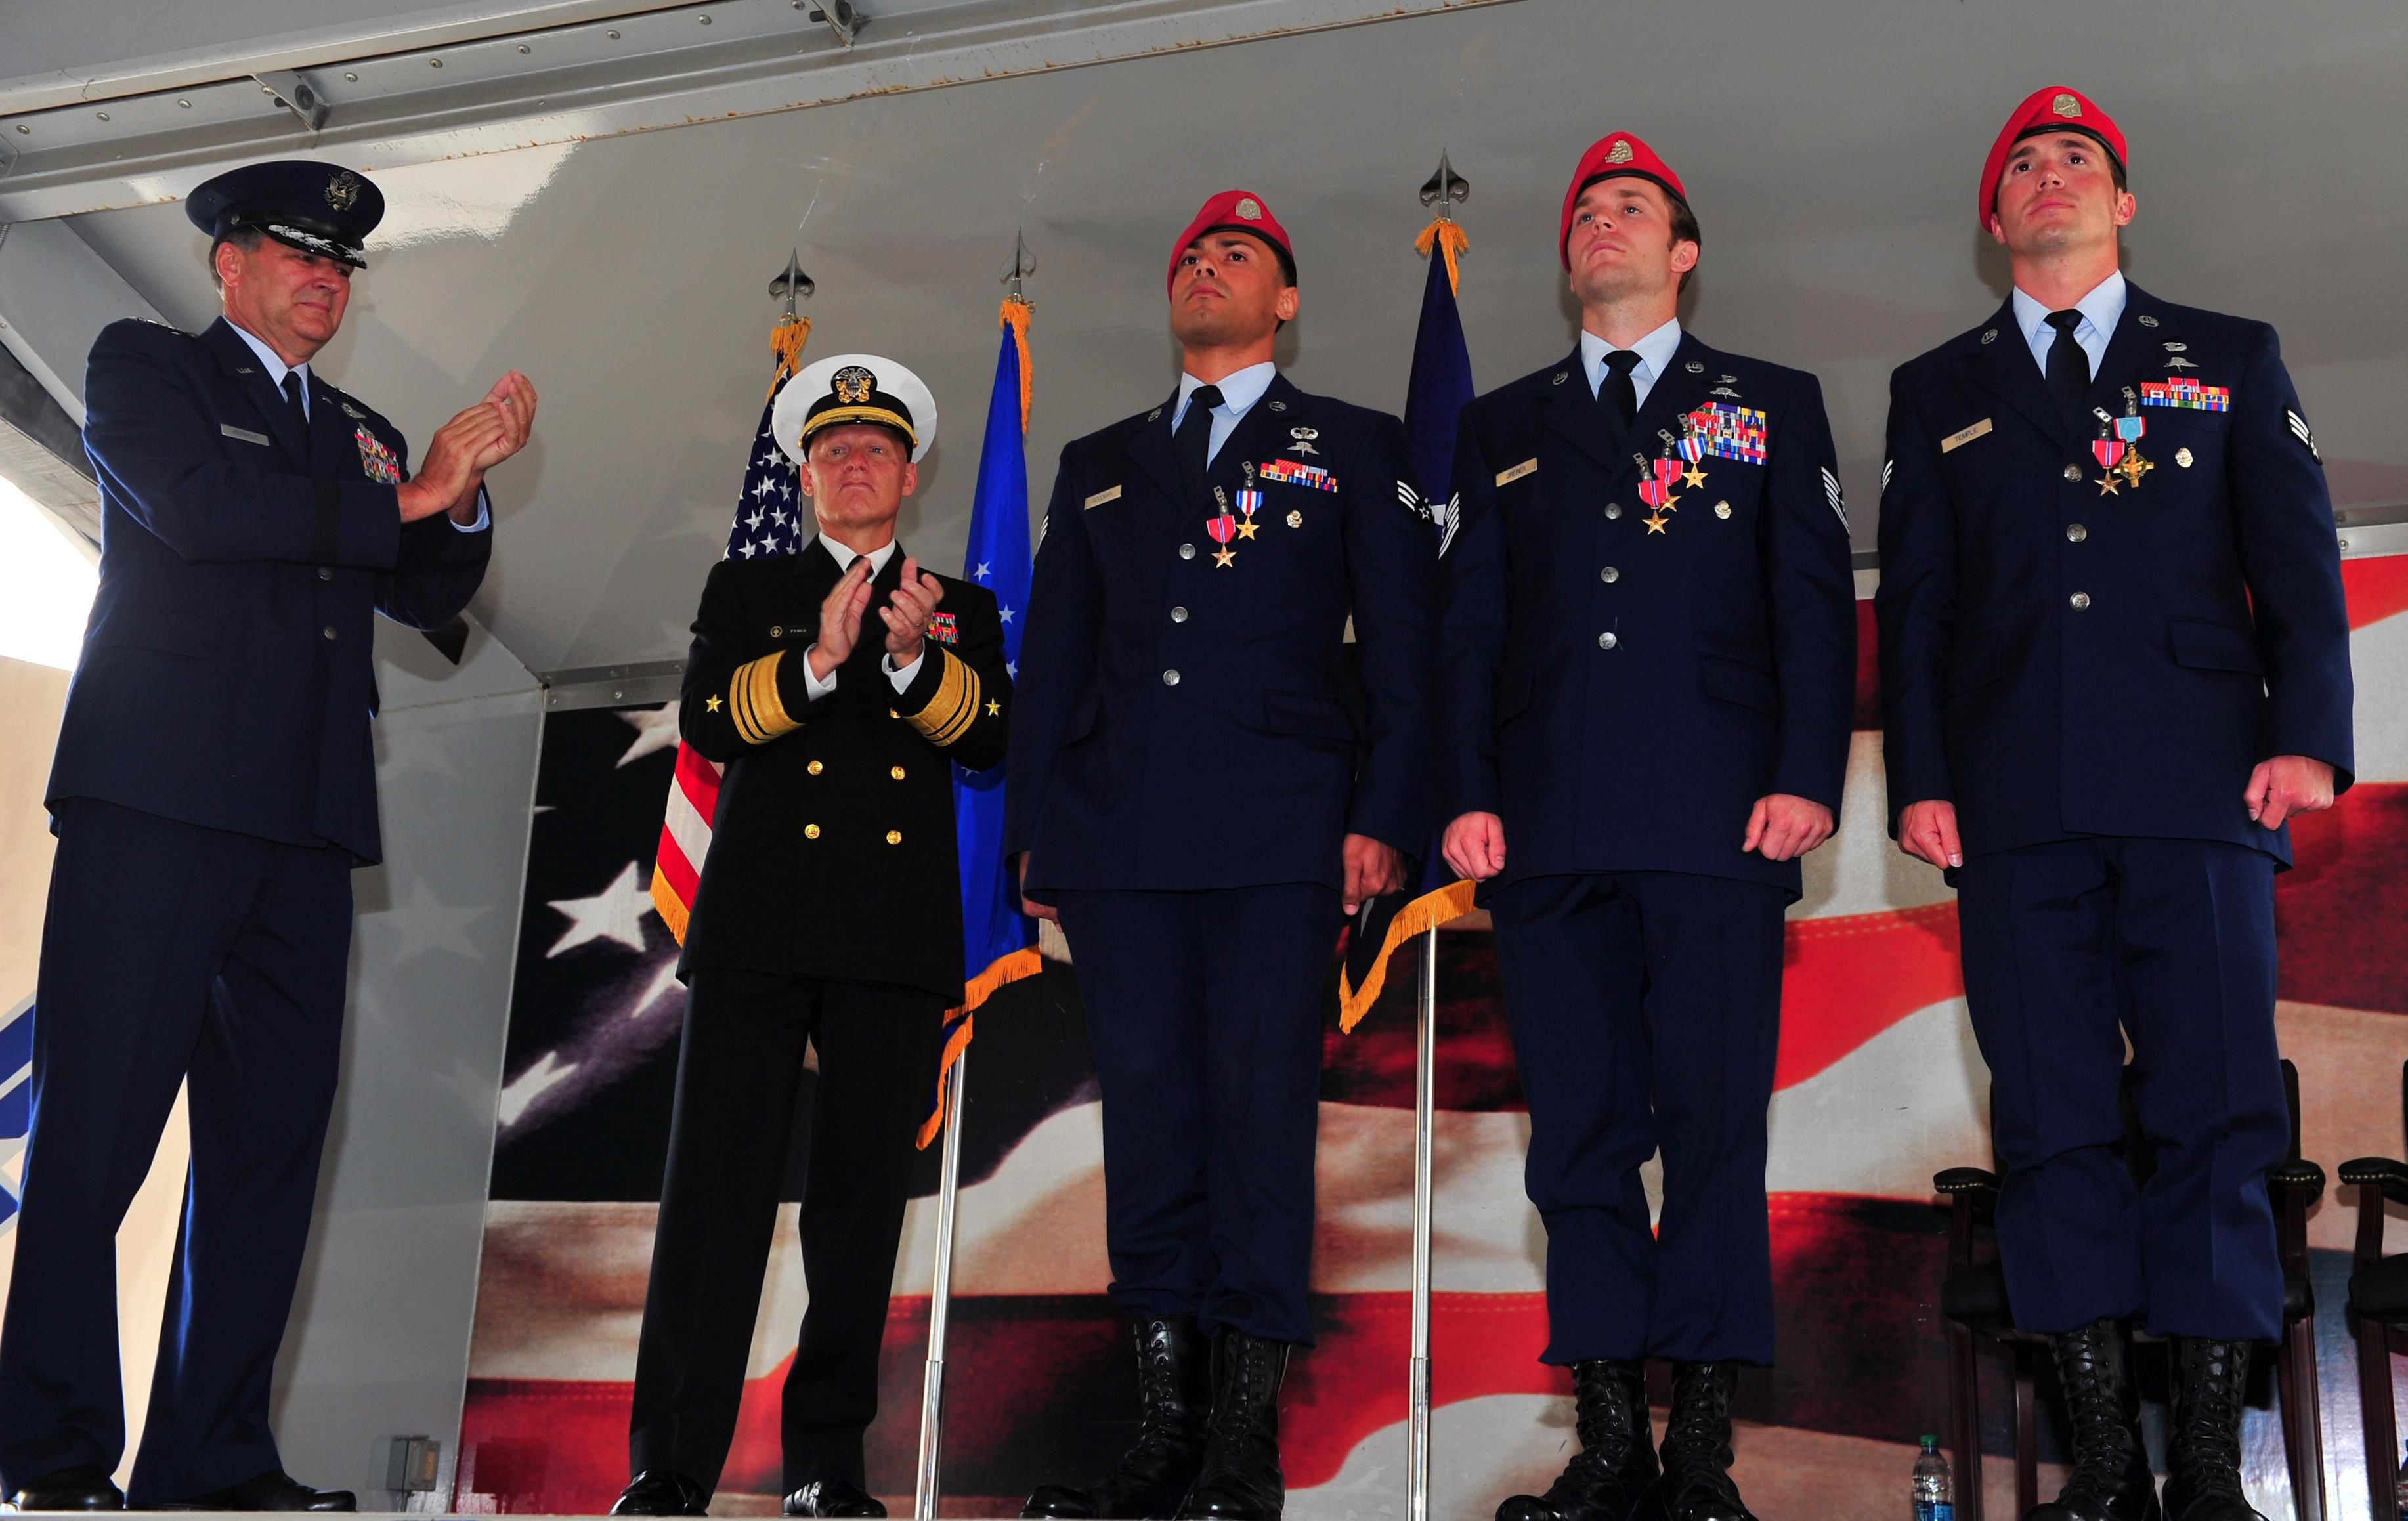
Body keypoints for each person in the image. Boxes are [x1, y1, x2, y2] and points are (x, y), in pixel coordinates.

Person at [0, 160, 532, 1513]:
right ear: (226, 264)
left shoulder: (357, 428)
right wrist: (402, 502)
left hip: (303, 826)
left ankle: (212, 1455)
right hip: (159, 803)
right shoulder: (149, 365)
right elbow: (196, 509)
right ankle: (51, 1446)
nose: (325, 278)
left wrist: (458, 493)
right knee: (97, 1133)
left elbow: (422, 589)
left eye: (343, 264)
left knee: (268, 1151)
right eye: (297, 254)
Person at [1876, 87, 2353, 1521]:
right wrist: (1922, 778)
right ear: (1992, 217)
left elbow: (2299, 555)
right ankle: (2099, 1462)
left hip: (2201, 786)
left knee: (2215, 1116)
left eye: (2075, 159)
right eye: (2020, 164)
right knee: (2053, 1122)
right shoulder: (1936, 390)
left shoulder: (2225, 353)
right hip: (2012, 809)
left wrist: (2309, 738)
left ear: (2123, 203)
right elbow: (1917, 610)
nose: (2047, 176)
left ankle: (2206, 1461)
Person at [1436, 133, 1857, 1521]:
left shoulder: (1769, 403)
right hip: (1548, 830)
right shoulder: (1501, 425)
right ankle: (1610, 1439)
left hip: (1720, 823)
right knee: (1580, 1138)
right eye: (1585, 211)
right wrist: (1467, 791)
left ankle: (1701, 1454)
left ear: (1682, 253)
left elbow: (1810, 602)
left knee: (1715, 1131)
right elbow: (1471, 633)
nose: (1601, 221)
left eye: (1632, 208)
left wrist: (1809, 773)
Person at [1006, 191, 1435, 1520]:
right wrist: (1036, 835)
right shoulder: (1102, 458)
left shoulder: (1354, 446)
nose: (1206, 266)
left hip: (1278, 835)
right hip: (1124, 842)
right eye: (1192, 253)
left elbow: (1406, 656)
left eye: (1236, 255)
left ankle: (1241, 1445)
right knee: (1148, 1128)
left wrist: (1382, 815)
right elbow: (1059, 662)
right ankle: (1158, 1433)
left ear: (1284, 301)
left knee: (1257, 1123)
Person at [611, 355, 1010, 1521]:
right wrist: (820, 659)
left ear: (910, 474)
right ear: (805, 475)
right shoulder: (749, 589)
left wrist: (907, 656)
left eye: (875, 449)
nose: (854, 463)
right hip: (758, 932)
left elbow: (986, 738)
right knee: (712, 1206)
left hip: (889, 942)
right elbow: (707, 716)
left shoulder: (958, 606)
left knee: (856, 1215)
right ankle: (670, 1463)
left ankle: (828, 1467)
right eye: (833, 450)